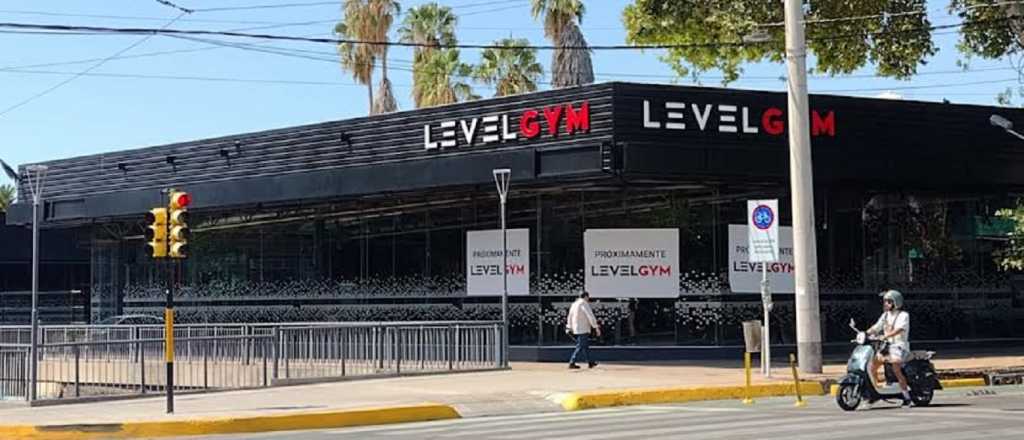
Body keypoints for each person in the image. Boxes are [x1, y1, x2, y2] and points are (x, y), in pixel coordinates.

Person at [867, 289, 912, 406]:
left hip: (899, 346)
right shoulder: (885, 315)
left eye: (888, 301)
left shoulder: (903, 315)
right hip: (886, 347)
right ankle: (876, 392)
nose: (885, 304)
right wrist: (866, 333)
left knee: (896, 369)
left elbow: (900, 329)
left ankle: (906, 396)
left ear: (896, 302)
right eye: (885, 301)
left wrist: (886, 335)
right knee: (872, 367)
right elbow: (876, 327)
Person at [566, 291, 601, 369]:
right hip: (583, 328)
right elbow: (590, 315)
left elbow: (570, 316)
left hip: (576, 328)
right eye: (588, 297)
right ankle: (572, 362)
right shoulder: (584, 303)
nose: (588, 299)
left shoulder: (574, 304)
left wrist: (569, 326)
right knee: (581, 346)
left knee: (585, 346)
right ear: (585, 296)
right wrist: (596, 327)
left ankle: (590, 362)